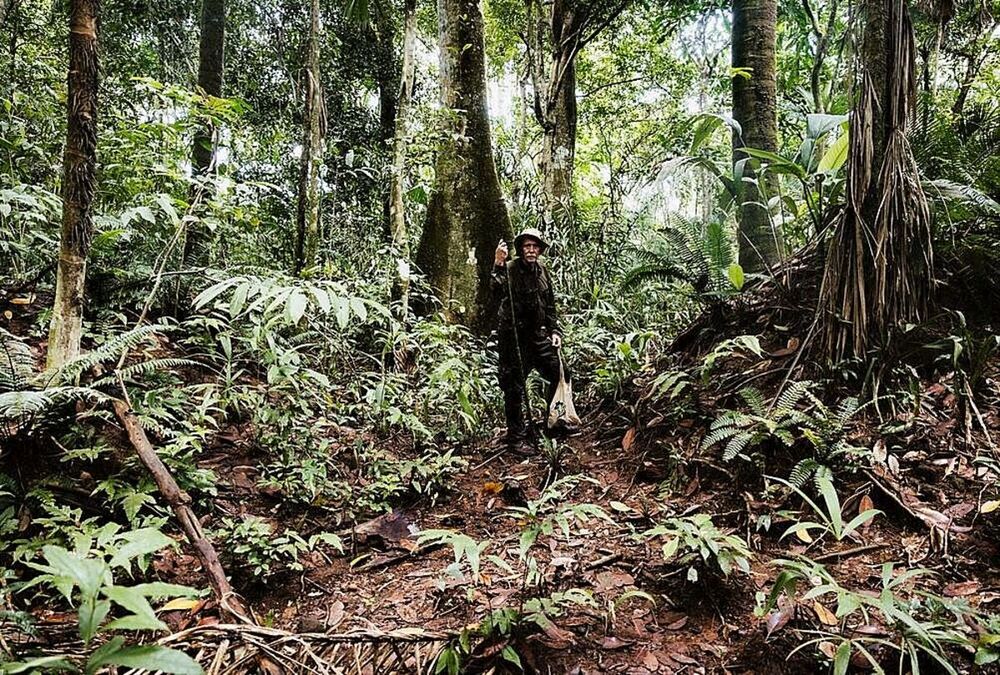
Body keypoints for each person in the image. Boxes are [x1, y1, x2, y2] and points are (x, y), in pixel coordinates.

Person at [492, 228, 570, 447]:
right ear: (520, 249)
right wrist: (498, 262)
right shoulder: (510, 269)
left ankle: (553, 421)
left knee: (560, 371)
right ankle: (516, 437)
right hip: (514, 338)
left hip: (538, 336)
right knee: (513, 386)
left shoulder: (542, 269)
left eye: (535, 246)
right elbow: (495, 292)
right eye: (527, 246)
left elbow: (550, 304)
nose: (531, 250)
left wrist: (555, 331)